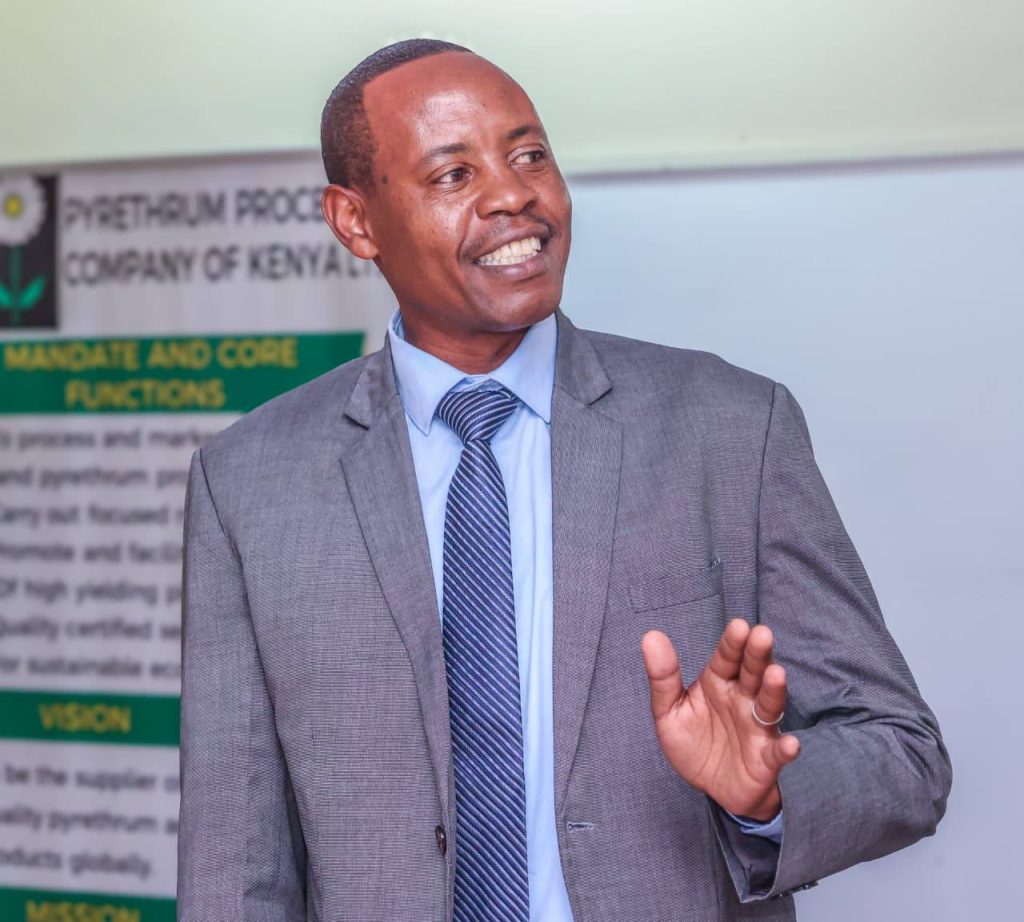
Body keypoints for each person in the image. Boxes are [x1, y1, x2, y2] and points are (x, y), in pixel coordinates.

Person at [176, 39, 951, 922]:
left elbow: (905, 756)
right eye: (454, 174)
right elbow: (233, 867)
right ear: (355, 222)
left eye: (530, 155)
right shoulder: (250, 482)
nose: (514, 195)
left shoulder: (730, 428)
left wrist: (765, 798)